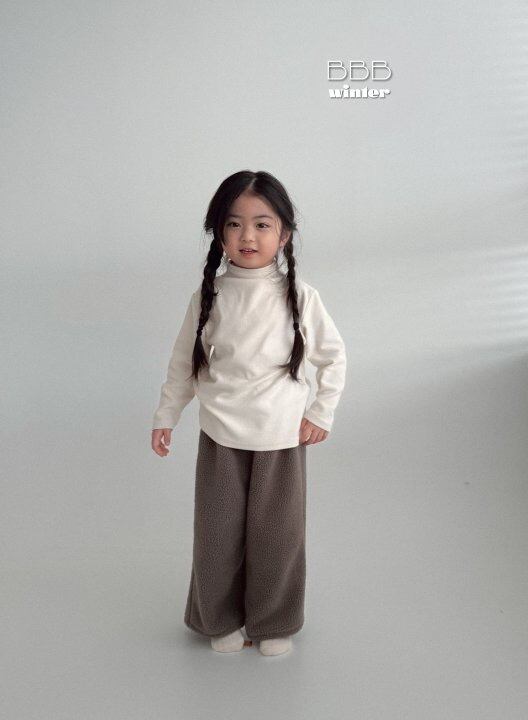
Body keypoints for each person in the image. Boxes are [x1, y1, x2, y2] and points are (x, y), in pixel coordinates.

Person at [150, 170, 347, 657]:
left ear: (285, 234)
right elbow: (183, 363)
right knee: (217, 534)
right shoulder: (209, 297)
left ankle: (273, 619)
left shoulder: (301, 297)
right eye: (234, 224)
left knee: (277, 536)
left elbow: (333, 357)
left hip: (282, 436)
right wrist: (166, 416)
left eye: (262, 224)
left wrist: (321, 412)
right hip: (221, 434)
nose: (248, 236)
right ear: (219, 233)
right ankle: (218, 619)